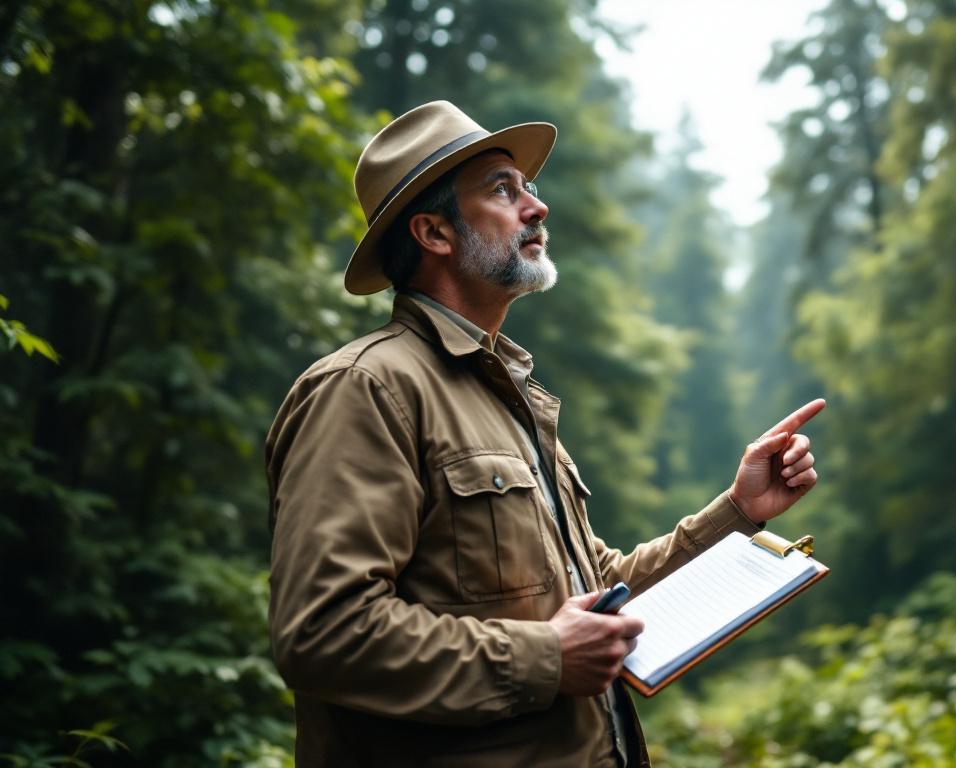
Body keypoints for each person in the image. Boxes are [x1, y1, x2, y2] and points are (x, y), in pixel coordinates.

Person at [266, 101, 823, 767]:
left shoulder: (508, 393)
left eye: (529, 188)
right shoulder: (366, 390)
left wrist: (738, 512)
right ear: (433, 233)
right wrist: (545, 657)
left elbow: (598, 590)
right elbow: (324, 634)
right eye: (504, 190)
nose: (537, 208)